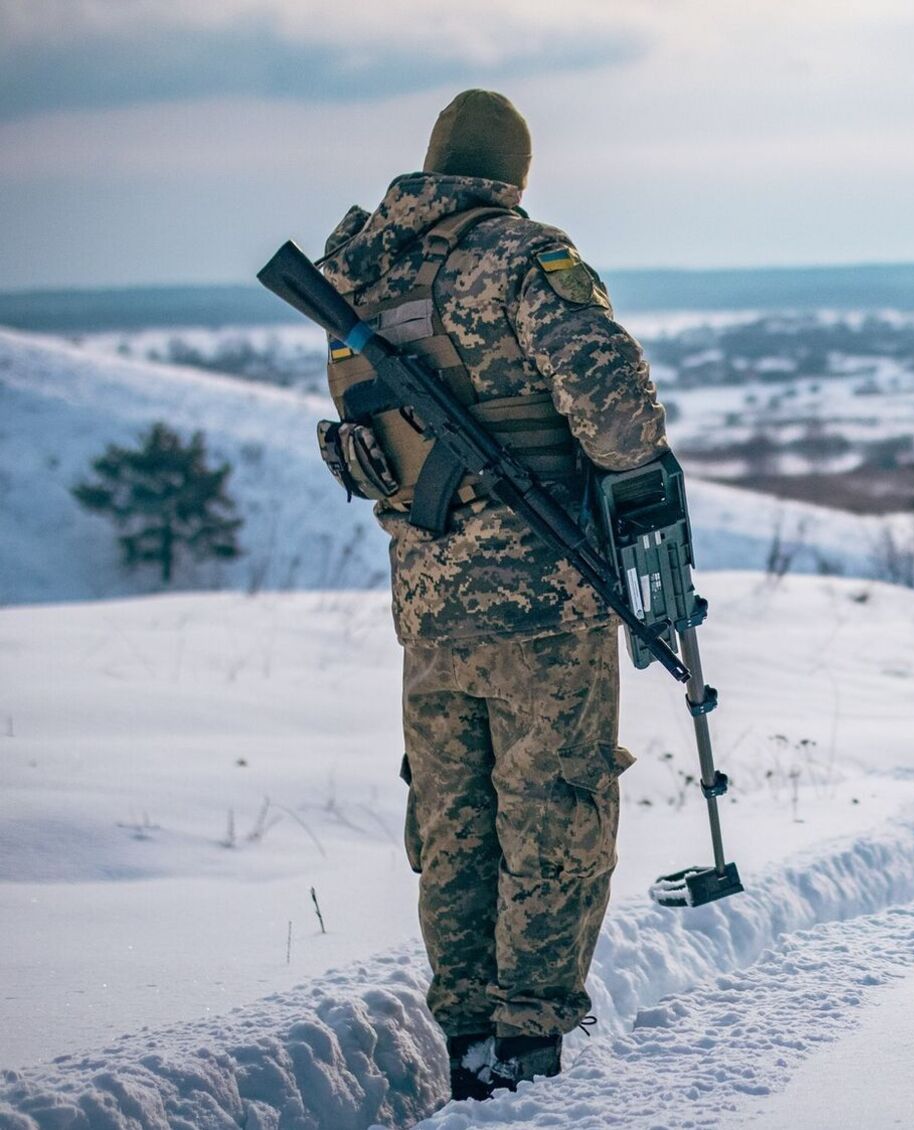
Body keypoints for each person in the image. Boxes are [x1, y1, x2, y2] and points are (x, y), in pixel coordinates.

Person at [315, 89, 670, 1099]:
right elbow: (622, 421)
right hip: (543, 599)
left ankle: (466, 1033)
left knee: (455, 815)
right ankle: (526, 1051)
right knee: (552, 808)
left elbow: (367, 441)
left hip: (427, 601)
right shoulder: (521, 255)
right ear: (512, 171)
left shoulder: (361, 275)